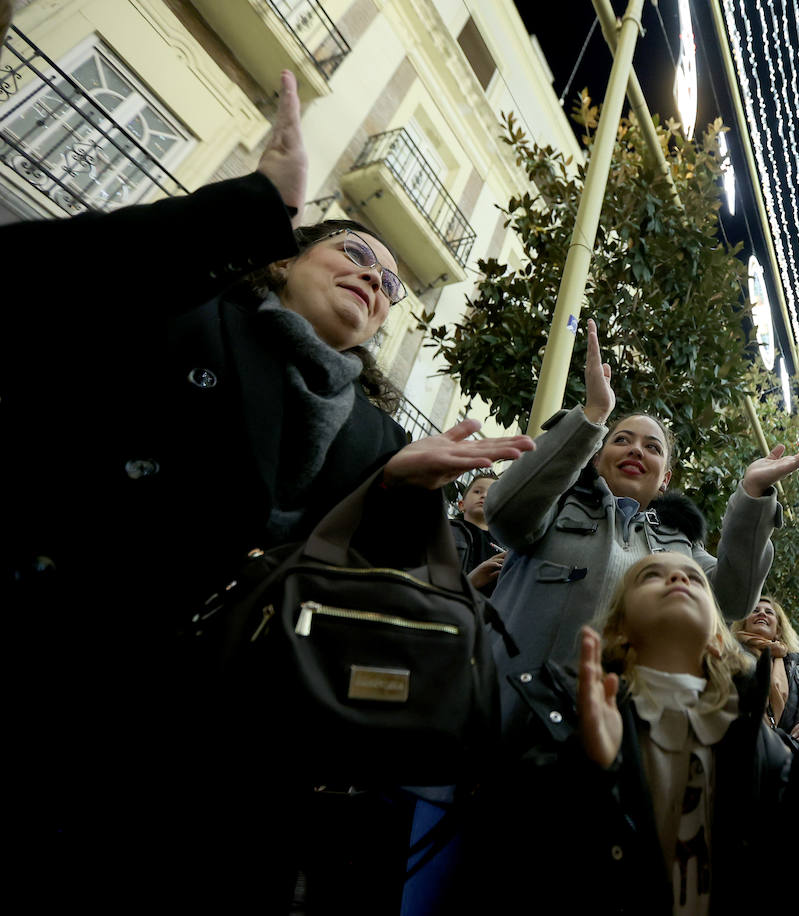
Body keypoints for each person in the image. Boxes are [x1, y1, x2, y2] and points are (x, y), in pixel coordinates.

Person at [0, 70, 536, 912]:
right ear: (284, 260)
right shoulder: (191, 313)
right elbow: (46, 292)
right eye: (354, 253)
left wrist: (395, 489)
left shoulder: (378, 439)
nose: (374, 279)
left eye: (391, 285)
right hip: (60, 680)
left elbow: (340, 589)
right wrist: (246, 207)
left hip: (224, 755)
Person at [499, 552, 799, 913]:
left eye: (693, 579)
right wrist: (588, 765)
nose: (678, 580)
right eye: (652, 576)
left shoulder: (750, 733)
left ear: (716, 635)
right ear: (620, 628)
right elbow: (526, 849)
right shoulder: (575, 708)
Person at [487, 319, 799, 726]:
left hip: (622, 744)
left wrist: (752, 495)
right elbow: (505, 514)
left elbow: (733, 599)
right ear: (595, 456)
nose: (635, 450)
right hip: (505, 719)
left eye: (652, 447)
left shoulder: (681, 545)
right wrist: (593, 415)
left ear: (665, 479)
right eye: (621, 439)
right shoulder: (554, 503)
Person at [730, 595, 799, 746]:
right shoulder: (730, 655)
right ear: (744, 622)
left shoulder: (797, 671)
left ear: (778, 630)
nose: (761, 613)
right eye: (755, 610)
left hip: (787, 755)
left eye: (769, 612)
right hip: (742, 749)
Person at [452, 470, 506, 592]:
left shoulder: (508, 547)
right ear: (461, 504)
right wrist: (469, 582)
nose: (484, 496)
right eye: (477, 491)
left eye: (492, 494)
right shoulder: (448, 532)